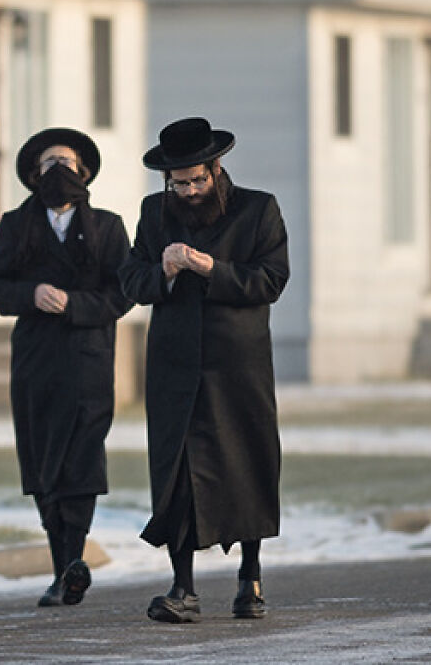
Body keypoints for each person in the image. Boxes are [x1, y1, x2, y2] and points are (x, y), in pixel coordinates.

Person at [118, 117, 289, 623]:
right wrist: (164, 270)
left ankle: (250, 577)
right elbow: (132, 281)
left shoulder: (259, 209)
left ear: (217, 169)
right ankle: (182, 587)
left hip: (239, 363)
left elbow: (271, 280)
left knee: (247, 462)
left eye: (198, 180)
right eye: (180, 183)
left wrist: (211, 268)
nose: (190, 191)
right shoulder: (155, 212)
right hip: (174, 363)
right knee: (178, 471)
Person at [0, 127, 134, 608]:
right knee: (44, 460)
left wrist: (74, 303)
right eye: (49, 164)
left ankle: (72, 560)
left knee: (82, 458)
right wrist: (30, 294)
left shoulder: (108, 227)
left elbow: (123, 292)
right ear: (33, 174)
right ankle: (62, 565)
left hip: (89, 358)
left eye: (67, 162)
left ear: (83, 171)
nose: (59, 171)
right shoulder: (15, 224)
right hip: (37, 361)